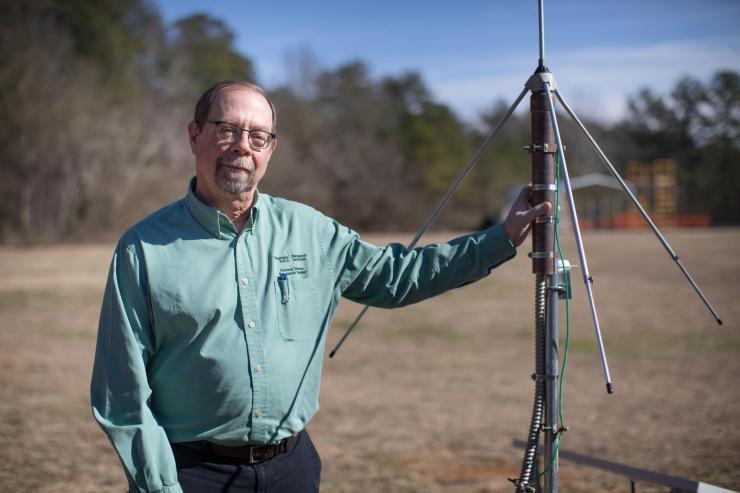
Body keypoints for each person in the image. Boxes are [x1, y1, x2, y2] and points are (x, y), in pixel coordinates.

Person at [90, 80, 551, 493]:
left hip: (292, 469)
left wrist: (501, 238)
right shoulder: (143, 249)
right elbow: (121, 395)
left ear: (271, 149)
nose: (241, 147)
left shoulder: (310, 230)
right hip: (189, 473)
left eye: (257, 136)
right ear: (195, 136)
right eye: (226, 129)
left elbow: (398, 276)